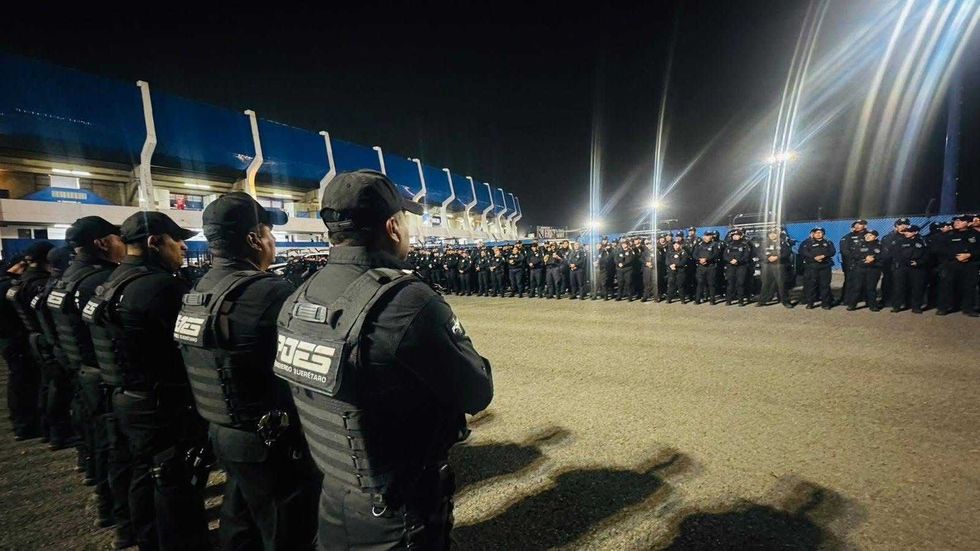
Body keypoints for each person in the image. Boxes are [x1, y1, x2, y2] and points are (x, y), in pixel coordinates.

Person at [273, 170, 493, 551]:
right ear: (392, 226)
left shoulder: (298, 299)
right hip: (397, 511)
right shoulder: (406, 302)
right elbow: (477, 391)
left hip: (334, 496)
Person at [176, 192, 321, 550]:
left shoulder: (200, 288)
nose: (272, 242)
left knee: (241, 521)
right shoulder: (270, 292)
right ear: (254, 239)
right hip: (270, 440)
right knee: (287, 531)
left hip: (223, 430)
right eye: (269, 233)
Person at [83, 212, 210, 550]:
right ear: (155, 242)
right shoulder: (161, 287)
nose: (183, 246)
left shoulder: (111, 282)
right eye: (175, 239)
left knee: (144, 473)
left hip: (127, 397)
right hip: (162, 404)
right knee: (175, 484)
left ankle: (142, 537)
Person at [47, 217, 130, 541]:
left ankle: (108, 507)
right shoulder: (102, 282)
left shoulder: (64, 281)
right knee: (118, 452)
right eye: (116, 237)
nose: (121, 243)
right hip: (105, 377)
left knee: (98, 442)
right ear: (101, 243)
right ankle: (124, 521)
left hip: (80, 373)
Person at [4, 240, 54, 441]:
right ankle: (30, 425)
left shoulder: (16, 284)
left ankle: (25, 424)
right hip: (28, 342)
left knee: (22, 384)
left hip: (18, 341)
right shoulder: (38, 285)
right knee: (33, 384)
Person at [935, 215, 979, 316]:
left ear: (968, 223)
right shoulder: (948, 235)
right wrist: (955, 256)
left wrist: (970, 255)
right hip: (952, 264)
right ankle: (943, 308)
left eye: (960, 221)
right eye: (956, 220)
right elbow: (940, 250)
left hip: (970, 265)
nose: (957, 222)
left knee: (969, 287)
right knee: (946, 287)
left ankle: (968, 309)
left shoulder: (976, 235)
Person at [888, 224, 929, 313]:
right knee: (899, 287)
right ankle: (897, 306)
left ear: (915, 232)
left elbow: (927, 255)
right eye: (906, 231)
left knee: (917, 288)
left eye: (909, 231)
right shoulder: (900, 241)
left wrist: (918, 262)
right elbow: (895, 254)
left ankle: (916, 307)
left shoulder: (922, 242)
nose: (906, 233)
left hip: (917, 268)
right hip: (902, 267)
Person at [843, 231, 884, 311]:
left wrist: (874, 259)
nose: (868, 236)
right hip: (860, 269)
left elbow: (883, 256)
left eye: (871, 235)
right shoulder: (859, 245)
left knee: (871, 288)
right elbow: (854, 255)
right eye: (866, 235)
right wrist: (865, 258)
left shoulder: (880, 246)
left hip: (873, 269)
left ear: (876, 237)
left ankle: (872, 305)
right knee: (857, 287)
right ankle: (852, 305)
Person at [799, 227, 836, 309]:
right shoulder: (807, 242)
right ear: (813, 234)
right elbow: (804, 252)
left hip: (825, 266)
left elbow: (832, 251)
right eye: (816, 232)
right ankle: (810, 303)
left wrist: (824, 255)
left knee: (825, 285)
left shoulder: (828, 242)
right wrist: (814, 257)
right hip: (812, 267)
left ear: (823, 234)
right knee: (811, 285)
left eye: (820, 232)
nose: (818, 234)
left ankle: (825, 303)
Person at [756, 228, 793, 308]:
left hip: (779, 265)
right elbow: (759, 253)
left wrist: (777, 257)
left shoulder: (783, 242)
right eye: (770, 233)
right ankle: (762, 300)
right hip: (767, 265)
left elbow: (787, 252)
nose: (772, 235)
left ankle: (785, 301)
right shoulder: (764, 243)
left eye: (774, 233)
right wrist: (767, 258)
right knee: (766, 283)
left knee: (782, 283)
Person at [880, 218, 910, 308]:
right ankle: (885, 300)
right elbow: (885, 252)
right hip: (890, 264)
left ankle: (904, 301)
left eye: (905, 224)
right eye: (900, 224)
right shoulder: (889, 237)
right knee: (887, 282)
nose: (903, 226)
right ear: (896, 226)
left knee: (905, 283)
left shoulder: (910, 236)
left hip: (905, 265)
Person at [839, 219, 868, 300]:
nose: (858, 226)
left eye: (860, 224)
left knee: (865, 281)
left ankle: (864, 298)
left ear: (865, 226)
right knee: (850, 281)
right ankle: (846, 299)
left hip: (866, 263)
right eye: (856, 224)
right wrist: (857, 257)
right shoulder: (848, 237)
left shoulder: (869, 235)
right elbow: (844, 250)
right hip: (852, 264)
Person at [722, 229, 752, 306]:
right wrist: (730, 260)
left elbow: (746, 256)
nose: (735, 237)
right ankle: (729, 300)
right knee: (730, 284)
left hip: (741, 267)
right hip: (731, 266)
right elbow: (725, 255)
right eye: (734, 235)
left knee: (740, 283)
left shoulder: (745, 245)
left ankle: (740, 301)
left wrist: (738, 261)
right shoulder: (729, 245)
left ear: (741, 236)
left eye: (737, 235)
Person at [693, 232, 721, 305]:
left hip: (711, 266)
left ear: (711, 237)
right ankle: (697, 299)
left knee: (711, 284)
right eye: (705, 235)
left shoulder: (715, 244)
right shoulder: (699, 244)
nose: (706, 237)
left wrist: (707, 259)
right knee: (700, 283)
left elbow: (716, 254)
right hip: (701, 267)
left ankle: (712, 300)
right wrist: (700, 259)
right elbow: (694, 254)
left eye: (708, 236)